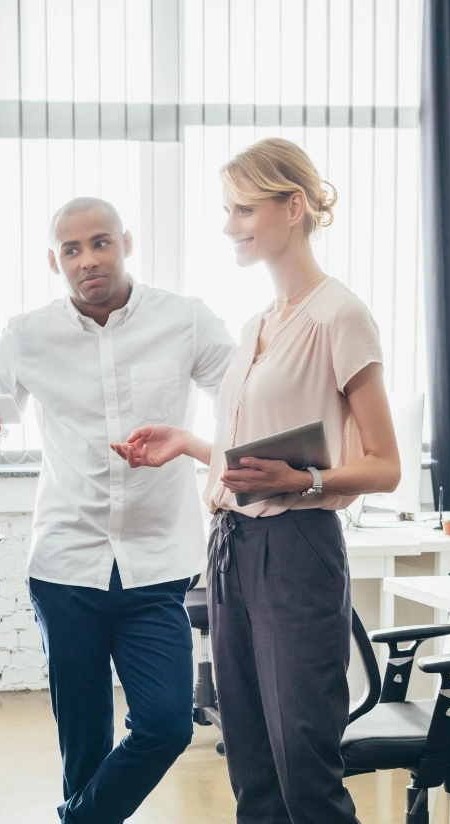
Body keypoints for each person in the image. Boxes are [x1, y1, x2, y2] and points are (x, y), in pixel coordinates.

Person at [113, 138, 403, 824]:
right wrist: (190, 444)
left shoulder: (340, 315)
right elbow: (256, 466)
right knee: (250, 759)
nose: (230, 225)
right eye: (227, 209)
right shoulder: (257, 324)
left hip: (297, 547)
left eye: (243, 208)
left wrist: (305, 480)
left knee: (303, 760)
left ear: (293, 206)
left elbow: (384, 465)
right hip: (232, 549)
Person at [0, 198, 235, 824]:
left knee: (166, 725)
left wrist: (219, 464)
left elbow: (244, 400)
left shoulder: (186, 321)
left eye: (101, 243)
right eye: (72, 250)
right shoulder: (28, 334)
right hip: (65, 567)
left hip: (157, 564)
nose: (88, 260)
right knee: (84, 739)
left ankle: (75, 820)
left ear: (126, 242)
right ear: (54, 260)